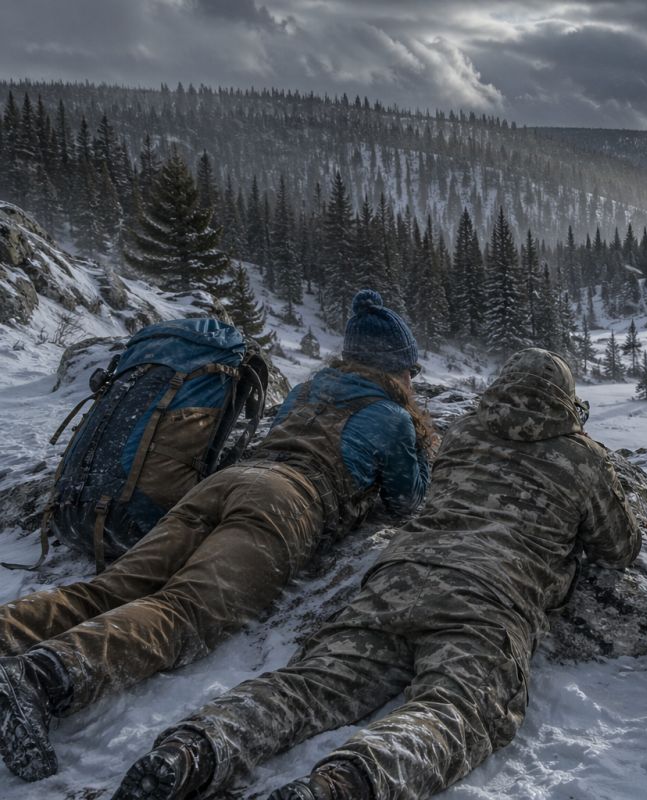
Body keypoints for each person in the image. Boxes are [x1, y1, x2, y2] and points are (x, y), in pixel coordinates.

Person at [113, 347, 641, 800]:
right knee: (458, 708)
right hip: (488, 600)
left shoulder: (462, 435)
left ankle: (192, 749)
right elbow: (619, 547)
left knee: (314, 683)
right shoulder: (582, 458)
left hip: (399, 578)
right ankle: (341, 786)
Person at [0, 289, 433, 783]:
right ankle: (41, 678)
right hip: (286, 504)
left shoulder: (310, 389)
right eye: (411, 371)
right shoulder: (393, 417)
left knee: (113, 587)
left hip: (222, 485)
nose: (412, 380)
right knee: (185, 611)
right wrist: (420, 443)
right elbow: (407, 499)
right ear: (396, 368)